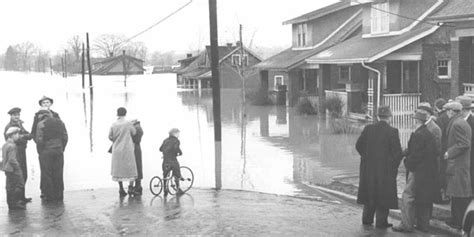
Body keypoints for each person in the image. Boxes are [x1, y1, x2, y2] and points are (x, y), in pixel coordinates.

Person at [355, 106, 403, 228]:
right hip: (384, 171)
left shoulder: (368, 129)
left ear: (377, 117)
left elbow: (358, 146)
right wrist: (391, 166)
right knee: (383, 195)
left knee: (369, 193)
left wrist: (366, 158)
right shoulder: (393, 131)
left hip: (368, 170)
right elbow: (397, 153)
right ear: (389, 117)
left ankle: (367, 219)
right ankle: (381, 222)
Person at [393, 111, 440, 233]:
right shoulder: (429, 134)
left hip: (417, 171)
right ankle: (423, 225)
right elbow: (435, 153)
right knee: (424, 198)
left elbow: (415, 155)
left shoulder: (417, 135)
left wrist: (407, 162)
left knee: (407, 196)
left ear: (416, 121)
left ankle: (406, 224)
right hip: (429, 172)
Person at [444, 101, 472, 229]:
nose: (446, 113)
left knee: (460, 193)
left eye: (447, 111)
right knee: (457, 192)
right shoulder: (460, 122)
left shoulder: (457, 124)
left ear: (452, 111)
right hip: (459, 163)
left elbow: (464, 144)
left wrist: (449, 153)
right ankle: (456, 219)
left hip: (458, 163)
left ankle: (459, 221)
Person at [35, 111, 68, 201]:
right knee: (58, 173)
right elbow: (65, 136)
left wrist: (40, 151)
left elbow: (39, 139)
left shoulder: (41, 124)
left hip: (46, 151)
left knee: (47, 174)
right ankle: (59, 195)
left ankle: (49, 196)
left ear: (42, 116)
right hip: (58, 150)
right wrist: (62, 148)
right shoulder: (60, 122)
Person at [4, 107, 33, 203]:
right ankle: (16, 200)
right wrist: (24, 137)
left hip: (21, 151)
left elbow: (30, 135)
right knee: (17, 175)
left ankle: (21, 197)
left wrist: (23, 136)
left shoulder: (20, 124)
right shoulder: (9, 127)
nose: (17, 116)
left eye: (18, 115)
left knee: (23, 174)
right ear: (11, 116)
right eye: (15, 115)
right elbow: (14, 139)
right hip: (15, 152)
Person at [109, 107, 137, 197]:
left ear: (117, 114)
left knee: (118, 169)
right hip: (127, 149)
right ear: (125, 113)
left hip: (117, 149)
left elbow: (110, 137)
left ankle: (121, 189)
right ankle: (130, 188)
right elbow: (134, 132)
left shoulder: (114, 124)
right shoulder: (128, 123)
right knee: (131, 168)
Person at [1, 127, 26, 210]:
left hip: (7, 169)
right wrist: (18, 167)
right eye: (17, 134)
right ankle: (15, 203)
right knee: (19, 184)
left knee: (9, 186)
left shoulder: (5, 145)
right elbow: (12, 159)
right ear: (12, 135)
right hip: (13, 169)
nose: (18, 136)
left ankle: (10, 204)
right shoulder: (13, 146)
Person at [434, 98, 450, 203]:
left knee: (441, 172)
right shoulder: (449, 117)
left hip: (442, 149)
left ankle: (442, 196)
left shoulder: (440, 119)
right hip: (450, 148)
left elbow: (439, 136)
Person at [160, 128, 184, 197]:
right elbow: (176, 148)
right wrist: (180, 153)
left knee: (165, 175)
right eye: (178, 133)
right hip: (173, 160)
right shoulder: (176, 140)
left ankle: (165, 189)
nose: (179, 135)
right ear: (175, 133)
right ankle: (178, 189)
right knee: (176, 173)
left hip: (165, 161)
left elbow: (160, 149)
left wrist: (166, 152)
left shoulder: (165, 140)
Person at [131, 120, 144, 195]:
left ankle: (137, 186)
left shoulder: (137, 129)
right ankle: (138, 186)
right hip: (137, 148)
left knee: (136, 166)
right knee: (138, 166)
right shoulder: (139, 128)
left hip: (135, 148)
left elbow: (134, 139)